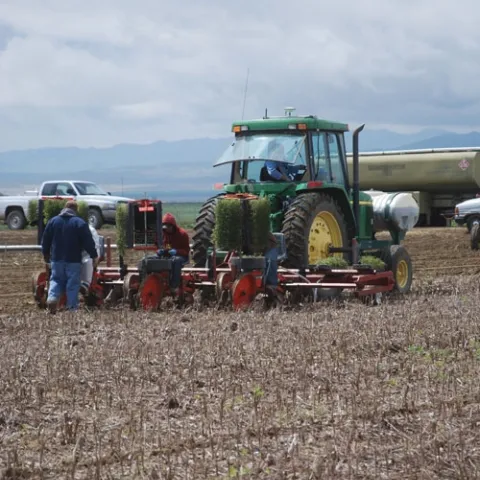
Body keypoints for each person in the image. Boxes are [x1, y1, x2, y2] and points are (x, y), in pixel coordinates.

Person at [41, 200, 98, 313]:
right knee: (73, 283)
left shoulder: (53, 221)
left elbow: (45, 240)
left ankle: (52, 299)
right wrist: (94, 256)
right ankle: (72, 308)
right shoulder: (79, 223)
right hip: (73, 259)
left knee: (56, 280)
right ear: (75, 210)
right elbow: (88, 242)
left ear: (64, 208)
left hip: (56, 259)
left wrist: (46, 254)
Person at [156, 213, 190, 292]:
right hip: (168, 255)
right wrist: (159, 251)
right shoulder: (163, 234)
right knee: (153, 259)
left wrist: (176, 251)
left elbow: (186, 251)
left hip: (181, 256)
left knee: (175, 260)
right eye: (165, 227)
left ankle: (174, 285)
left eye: (168, 227)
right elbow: (161, 246)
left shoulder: (182, 234)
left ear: (173, 226)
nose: (167, 229)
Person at [79, 224, 102, 296]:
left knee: (88, 260)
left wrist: (95, 257)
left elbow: (94, 246)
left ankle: (86, 283)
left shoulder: (90, 230)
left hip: (87, 254)